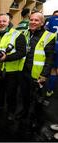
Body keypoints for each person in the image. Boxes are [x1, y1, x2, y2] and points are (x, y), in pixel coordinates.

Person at [20, 11, 55, 128]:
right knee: (24, 95)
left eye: (36, 20)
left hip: (39, 74)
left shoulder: (48, 36)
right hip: (24, 71)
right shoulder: (25, 33)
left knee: (38, 99)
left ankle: (36, 120)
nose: (33, 22)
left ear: (42, 23)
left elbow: (50, 58)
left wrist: (44, 75)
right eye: (31, 20)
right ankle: (24, 113)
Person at [0, 13, 26, 120]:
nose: (1, 23)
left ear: (9, 22)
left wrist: (6, 58)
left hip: (11, 71)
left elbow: (22, 52)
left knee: (11, 93)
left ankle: (11, 111)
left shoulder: (18, 35)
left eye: (4, 21)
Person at [45, 10, 58, 140]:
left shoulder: (52, 19)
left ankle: (50, 90)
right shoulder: (53, 19)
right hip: (56, 50)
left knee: (54, 71)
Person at [44, 10, 58, 96]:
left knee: (51, 69)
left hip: (52, 47)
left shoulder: (50, 19)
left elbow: (45, 31)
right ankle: (50, 90)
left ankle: (48, 90)